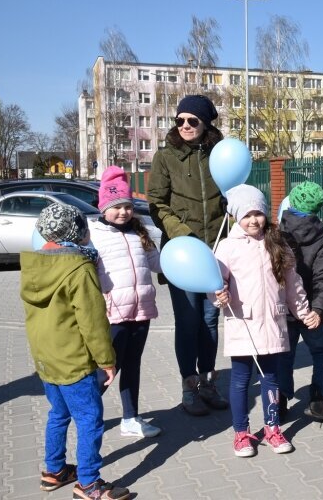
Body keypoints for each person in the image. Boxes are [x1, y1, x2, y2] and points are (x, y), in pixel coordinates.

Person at [21, 203, 131, 499]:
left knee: (58, 413)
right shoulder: (79, 268)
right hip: (73, 360)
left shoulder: (33, 265)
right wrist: (107, 360)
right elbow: (93, 321)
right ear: (77, 232)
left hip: (46, 359)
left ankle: (54, 471)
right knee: (89, 419)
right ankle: (90, 484)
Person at [212, 184, 320, 458]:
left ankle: (272, 428)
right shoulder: (227, 247)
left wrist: (303, 311)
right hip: (242, 324)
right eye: (246, 215)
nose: (253, 221)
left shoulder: (278, 243)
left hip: (273, 322)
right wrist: (219, 296)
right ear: (236, 216)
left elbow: (293, 284)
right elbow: (215, 283)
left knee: (271, 378)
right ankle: (241, 433)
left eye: (258, 214)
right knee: (240, 380)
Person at [147, 94, 229, 416]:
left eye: (191, 120)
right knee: (188, 320)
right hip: (182, 254)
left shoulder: (219, 156)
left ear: (205, 123)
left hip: (215, 251)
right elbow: (156, 203)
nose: (184, 125)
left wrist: (233, 227)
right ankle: (189, 386)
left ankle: (208, 382)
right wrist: (181, 234)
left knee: (210, 320)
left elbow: (231, 199)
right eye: (179, 120)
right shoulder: (165, 157)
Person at [90, 166, 162, 438]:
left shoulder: (139, 234)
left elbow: (157, 264)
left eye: (127, 206)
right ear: (103, 207)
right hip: (112, 315)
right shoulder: (94, 236)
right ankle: (88, 415)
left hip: (141, 311)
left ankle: (131, 419)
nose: (123, 212)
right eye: (116, 206)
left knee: (133, 365)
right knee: (107, 370)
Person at [278, 181, 323, 422]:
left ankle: (279, 402)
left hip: (283, 308)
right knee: (322, 352)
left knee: (284, 355)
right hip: (312, 308)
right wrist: (319, 309)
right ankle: (318, 400)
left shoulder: (277, 234)